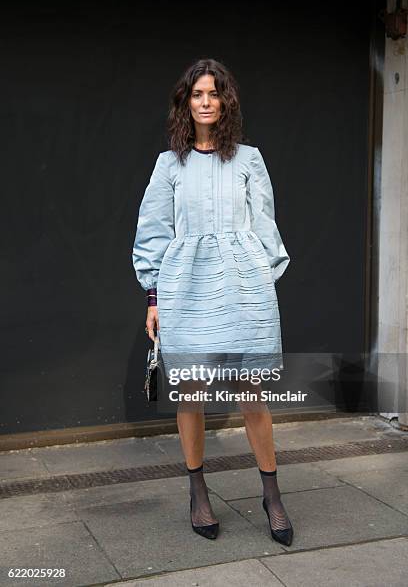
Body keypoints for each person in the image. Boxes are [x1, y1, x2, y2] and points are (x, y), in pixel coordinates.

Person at [132, 58, 293, 545]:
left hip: (245, 288)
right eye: (197, 94)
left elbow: (265, 224)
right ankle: (198, 490)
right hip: (187, 289)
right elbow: (154, 233)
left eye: (213, 94)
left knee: (253, 394)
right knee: (192, 394)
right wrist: (153, 298)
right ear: (187, 103)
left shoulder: (250, 158)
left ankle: (272, 495)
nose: (205, 102)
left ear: (226, 103)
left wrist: (265, 278)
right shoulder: (169, 164)